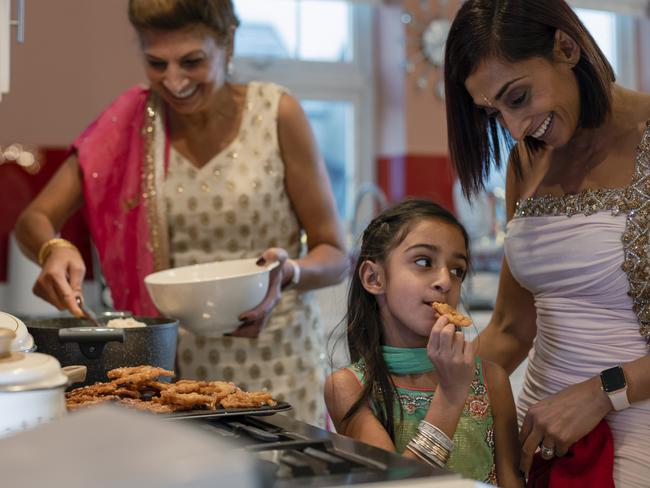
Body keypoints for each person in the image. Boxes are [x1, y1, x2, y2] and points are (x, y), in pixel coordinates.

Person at [14, 0, 348, 427]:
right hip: (171, 374)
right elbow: (33, 220)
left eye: (192, 61)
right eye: (156, 63)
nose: (173, 80)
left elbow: (336, 254)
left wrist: (288, 273)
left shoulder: (277, 114)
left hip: (277, 362)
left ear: (228, 41)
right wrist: (53, 248)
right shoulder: (131, 124)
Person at [444, 0, 650, 485]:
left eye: (516, 97)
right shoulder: (527, 162)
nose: (515, 129)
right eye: (492, 113)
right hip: (537, 433)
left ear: (566, 46)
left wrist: (603, 392)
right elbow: (513, 329)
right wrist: (425, 392)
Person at [325, 198, 524, 486]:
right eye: (423, 262)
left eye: (458, 270)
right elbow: (397, 486)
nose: (445, 280)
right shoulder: (348, 387)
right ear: (373, 278)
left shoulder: (491, 380)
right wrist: (452, 395)